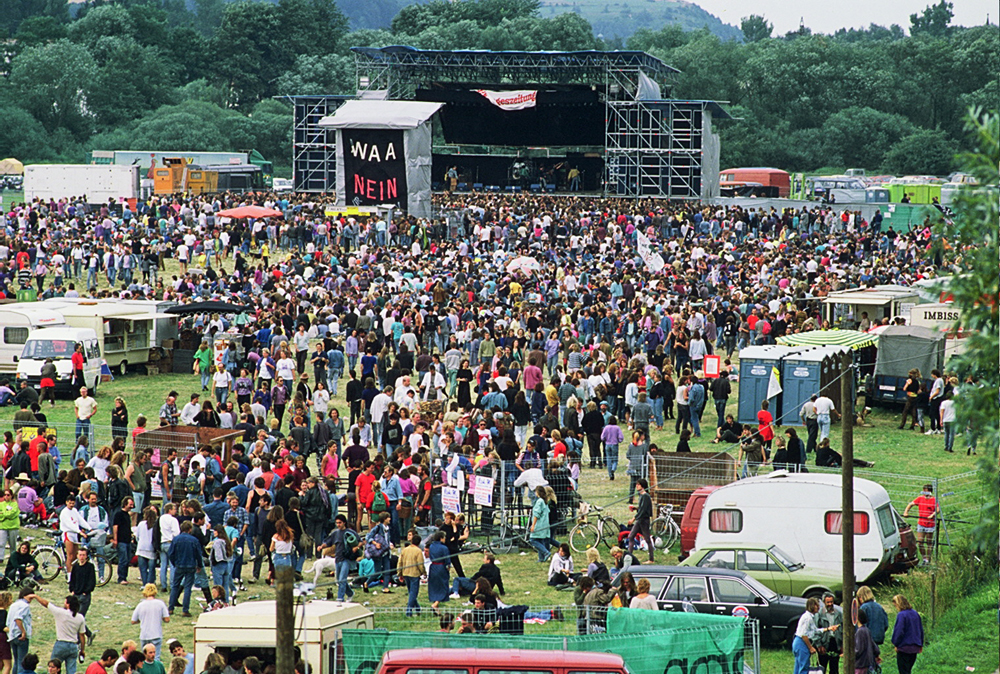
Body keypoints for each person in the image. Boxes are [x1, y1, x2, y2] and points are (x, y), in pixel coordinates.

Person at [30, 595, 86, 674]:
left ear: (68, 604)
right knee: (71, 671)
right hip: (73, 646)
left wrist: (36, 596)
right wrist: (82, 650)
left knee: (53, 668)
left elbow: (46, 603)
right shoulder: (80, 617)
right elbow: (82, 635)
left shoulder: (60, 613)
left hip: (61, 644)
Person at [167, 522, 203, 618]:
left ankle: (170, 608)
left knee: (175, 586)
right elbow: (198, 554)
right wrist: (199, 565)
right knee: (188, 588)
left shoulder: (176, 539)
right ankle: (185, 610)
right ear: (190, 529)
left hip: (179, 565)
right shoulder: (194, 540)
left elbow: (170, 553)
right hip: (191, 565)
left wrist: (175, 563)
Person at [903, 485, 939, 566]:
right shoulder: (920, 498)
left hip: (930, 524)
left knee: (929, 542)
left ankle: (928, 560)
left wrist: (932, 515)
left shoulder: (934, 500)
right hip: (921, 523)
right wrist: (906, 512)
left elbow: (937, 509)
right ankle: (924, 558)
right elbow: (911, 504)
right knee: (920, 542)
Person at [130, 585, 169, 660]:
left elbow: (133, 620)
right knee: (156, 657)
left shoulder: (140, 605)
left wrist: (141, 620)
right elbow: (167, 619)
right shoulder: (160, 604)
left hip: (144, 635)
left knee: (145, 658)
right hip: (156, 634)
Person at [890, 595, 923, 674]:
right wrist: (920, 643)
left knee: (903, 671)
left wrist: (896, 643)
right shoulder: (915, 614)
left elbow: (899, 631)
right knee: (908, 670)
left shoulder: (901, 615)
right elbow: (920, 630)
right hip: (915, 646)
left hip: (904, 647)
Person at [792, 597, 824, 674]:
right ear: (812, 606)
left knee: (798, 666)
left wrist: (828, 629)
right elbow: (804, 635)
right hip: (801, 643)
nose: (818, 607)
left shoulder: (810, 617)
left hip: (798, 642)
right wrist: (810, 647)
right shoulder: (807, 618)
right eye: (816, 605)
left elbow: (814, 630)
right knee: (804, 668)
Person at [625, 479, 654, 563]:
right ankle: (629, 556)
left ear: (643, 486)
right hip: (640, 520)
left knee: (647, 539)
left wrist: (633, 519)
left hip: (643, 520)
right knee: (631, 536)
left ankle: (651, 559)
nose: (636, 486)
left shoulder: (645, 496)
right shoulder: (641, 496)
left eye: (638, 484)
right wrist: (635, 508)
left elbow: (643, 511)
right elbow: (641, 508)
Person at [813, 592, 843, 674]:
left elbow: (842, 629)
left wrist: (841, 645)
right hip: (824, 642)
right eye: (828, 602)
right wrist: (819, 645)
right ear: (824, 602)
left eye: (831, 602)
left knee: (834, 668)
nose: (830, 604)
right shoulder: (819, 614)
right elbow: (815, 630)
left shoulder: (839, 613)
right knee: (822, 668)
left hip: (835, 643)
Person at [396, 529, 423, 617]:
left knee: (411, 592)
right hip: (414, 574)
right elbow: (420, 564)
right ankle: (409, 611)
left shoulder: (405, 550)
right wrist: (423, 572)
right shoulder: (418, 551)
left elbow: (400, 562)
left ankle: (418, 609)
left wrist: (399, 573)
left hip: (405, 573)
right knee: (413, 593)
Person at [5, 589, 32, 672]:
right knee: (21, 661)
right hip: (20, 635)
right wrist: (23, 631)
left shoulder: (13, 605)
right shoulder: (25, 606)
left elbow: (9, 621)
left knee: (16, 661)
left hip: (12, 636)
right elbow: (18, 618)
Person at [425, 530, 451, 610]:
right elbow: (447, 560)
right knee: (443, 586)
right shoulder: (444, 548)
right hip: (441, 567)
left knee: (434, 585)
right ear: (441, 538)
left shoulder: (431, 546)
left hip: (433, 567)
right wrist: (448, 568)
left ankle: (435, 604)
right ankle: (436, 604)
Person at [529, 486, 552, 562]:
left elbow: (536, 514)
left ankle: (546, 552)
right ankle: (541, 558)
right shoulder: (545, 501)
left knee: (533, 540)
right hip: (545, 524)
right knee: (540, 540)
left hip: (539, 524)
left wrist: (533, 525)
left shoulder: (539, 501)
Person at [854, 608, 880, 674]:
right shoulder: (866, 630)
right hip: (867, 663)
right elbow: (873, 645)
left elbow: (858, 649)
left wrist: (849, 654)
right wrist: (876, 655)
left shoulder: (860, 631)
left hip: (860, 664)